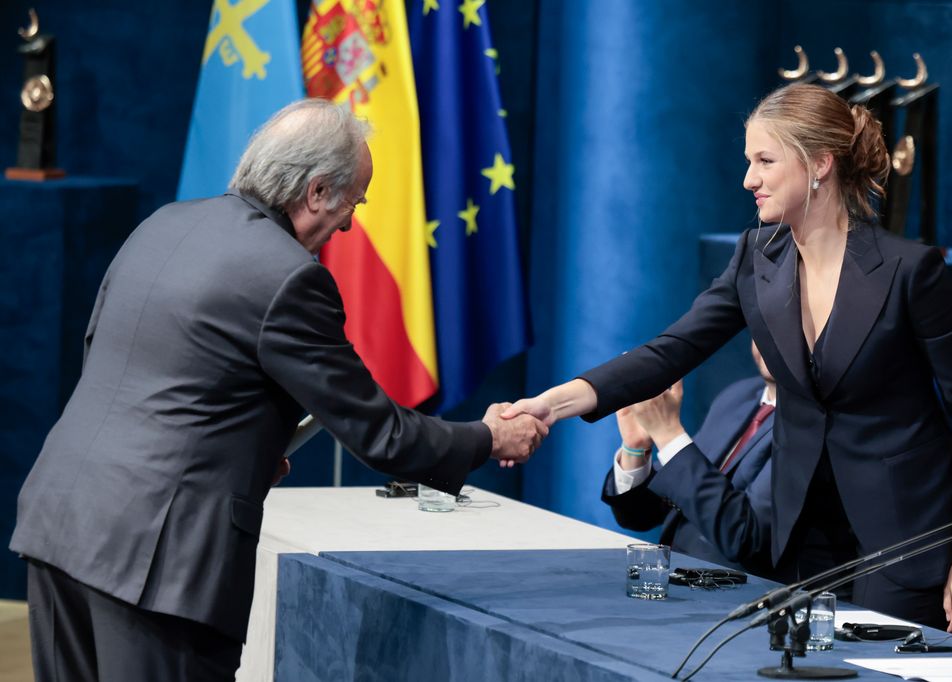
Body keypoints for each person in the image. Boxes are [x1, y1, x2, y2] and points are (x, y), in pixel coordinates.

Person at [9, 99, 548, 681]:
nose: (349, 224)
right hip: (154, 564)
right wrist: (488, 437)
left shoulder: (161, 224)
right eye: (352, 202)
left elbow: (118, 371)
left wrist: (243, 452)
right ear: (316, 191)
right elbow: (382, 435)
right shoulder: (289, 277)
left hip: (61, 523)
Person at [504, 83, 952, 631]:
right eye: (748, 161)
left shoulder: (911, 270)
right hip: (800, 536)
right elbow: (668, 352)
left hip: (902, 536)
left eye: (765, 160)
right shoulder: (754, 257)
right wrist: (549, 404)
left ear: (820, 164)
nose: (749, 180)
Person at [602, 342, 776, 576]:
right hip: (668, 578)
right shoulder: (737, 396)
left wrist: (667, 433)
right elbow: (641, 514)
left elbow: (744, 538)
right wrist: (636, 448)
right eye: (765, 321)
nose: (773, 335)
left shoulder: (813, 428)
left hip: (735, 596)